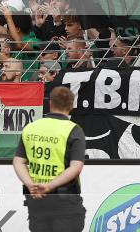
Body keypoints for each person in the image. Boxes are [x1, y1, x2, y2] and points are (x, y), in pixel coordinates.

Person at [13, 86, 86, 232]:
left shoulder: (31, 127)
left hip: (36, 200)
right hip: (65, 201)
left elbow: (18, 161)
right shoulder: (74, 130)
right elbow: (75, 167)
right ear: (71, 106)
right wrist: (49, 186)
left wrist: (30, 184)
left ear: (50, 103)